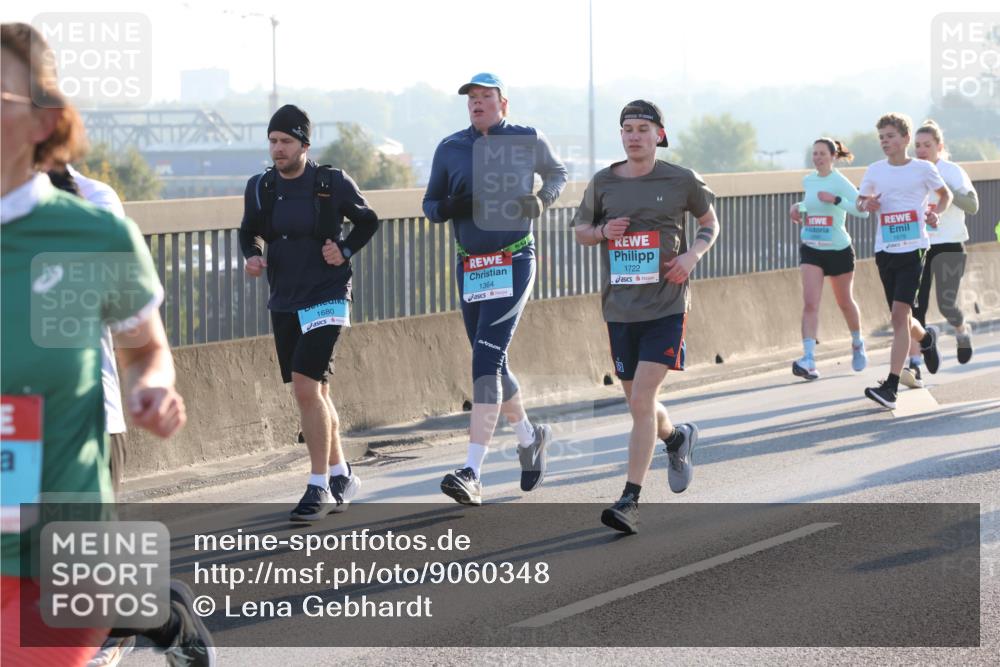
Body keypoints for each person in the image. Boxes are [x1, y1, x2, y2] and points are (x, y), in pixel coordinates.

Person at [1, 22, 212, 667]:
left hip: (73, 444)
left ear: (44, 122)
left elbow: (143, 346)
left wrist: (151, 387)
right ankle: (159, 608)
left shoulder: (93, 221)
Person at [572, 100, 720, 534]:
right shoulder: (604, 182)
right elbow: (580, 231)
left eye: (642, 128)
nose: (633, 136)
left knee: (641, 401)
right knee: (640, 404)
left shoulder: (681, 179)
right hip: (620, 309)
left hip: (666, 306)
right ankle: (676, 437)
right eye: (627, 129)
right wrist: (603, 231)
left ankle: (630, 500)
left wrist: (692, 256)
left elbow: (710, 223)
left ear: (659, 134)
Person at [423, 73, 568, 505]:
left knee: (485, 358)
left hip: (514, 259)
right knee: (493, 360)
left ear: (503, 104)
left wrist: (542, 200)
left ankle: (472, 471)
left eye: (486, 96)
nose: (477, 103)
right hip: (471, 265)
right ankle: (529, 437)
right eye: (472, 97)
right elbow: (431, 206)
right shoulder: (450, 148)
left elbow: (557, 173)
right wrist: (454, 205)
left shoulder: (527, 138)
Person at [239, 104, 379, 521]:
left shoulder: (330, 182)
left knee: (305, 387)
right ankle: (342, 476)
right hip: (285, 297)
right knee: (317, 392)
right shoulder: (261, 186)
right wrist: (252, 254)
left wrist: (346, 249)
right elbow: (249, 230)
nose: (277, 149)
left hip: (328, 294)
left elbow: (368, 220)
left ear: (304, 144)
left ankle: (318, 486)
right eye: (272, 141)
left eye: (285, 141)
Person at [857, 112, 951, 409]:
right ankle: (926, 339)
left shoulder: (923, 169)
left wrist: (935, 213)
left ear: (905, 138)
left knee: (899, 316)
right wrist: (867, 203)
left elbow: (944, 195)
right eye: (881, 137)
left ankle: (891, 386)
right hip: (885, 250)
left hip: (914, 249)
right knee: (903, 318)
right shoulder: (875, 170)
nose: (885, 142)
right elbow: (860, 201)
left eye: (890, 136)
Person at [899, 120, 979, 389]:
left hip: (950, 245)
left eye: (927, 145)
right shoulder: (911, 171)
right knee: (915, 307)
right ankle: (915, 364)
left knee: (946, 305)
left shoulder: (951, 171)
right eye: (918, 146)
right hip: (919, 245)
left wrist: (945, 188)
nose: (921, 150)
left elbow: (973, 206)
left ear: (939, 147)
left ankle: (961, 331)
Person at [789, 138, 869, 380]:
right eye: (815, 153)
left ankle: (857, 342)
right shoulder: (809, 180)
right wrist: (797, 207)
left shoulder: (839, 182)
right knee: (810, 303)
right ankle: (809, 359)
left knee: (844, 302)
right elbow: (810, 204)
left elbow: (863, 211)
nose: (818, 158)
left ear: (833, 156)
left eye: (822, 153)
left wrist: (836, 200)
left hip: (838, 249)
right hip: (812, 247)